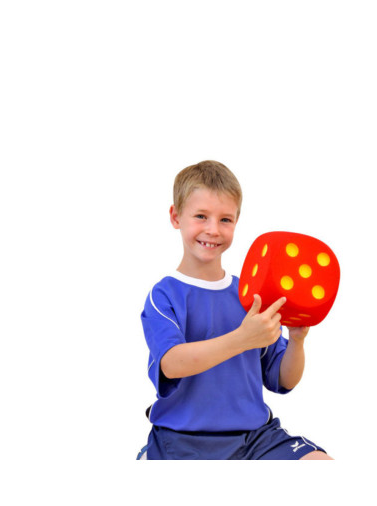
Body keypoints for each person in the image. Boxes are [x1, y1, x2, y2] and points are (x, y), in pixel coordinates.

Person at [138, 160, 332, 460]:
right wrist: (242, 338)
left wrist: (297, 340)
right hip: (182, 439)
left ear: (237, 221)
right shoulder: (164, 295)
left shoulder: (252, 295)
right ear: (176, 217)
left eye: (225, 219)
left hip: (256, 438)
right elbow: (172, 364)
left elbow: (284, 380)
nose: (213, 230)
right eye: (201, 216)